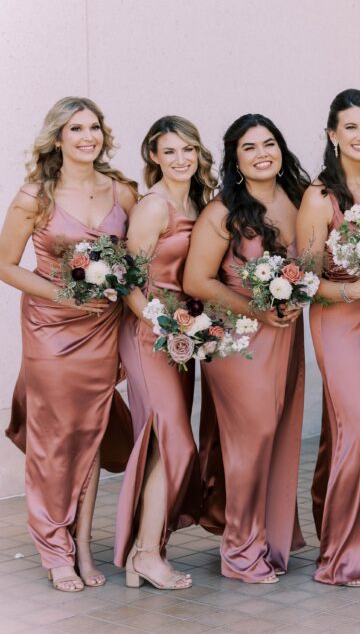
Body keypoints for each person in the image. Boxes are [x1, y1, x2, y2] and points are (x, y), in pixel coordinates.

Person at [0, 97, 138, 591]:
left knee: (92, 432)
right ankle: (54, 548)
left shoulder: (122, 192)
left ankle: (81, 541)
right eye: (76, 128)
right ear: (57, 138)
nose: (87, 136)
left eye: (94, 127)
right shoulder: (35, 196)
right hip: (52, 328)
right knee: (55, 439)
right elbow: (5, 264)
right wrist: (64, 294)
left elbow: (138, 257)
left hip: (103, 327)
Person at [183, 113, 308, 583]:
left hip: (285, 337)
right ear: (235, 159)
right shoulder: (222, 213)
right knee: (249, 444)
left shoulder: (297, 201)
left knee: (279, 439)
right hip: (237, 343)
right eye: (250, 147)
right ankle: (238, 552)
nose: (262, 154)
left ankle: (269, 543)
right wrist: (258, 311)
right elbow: (196, 280)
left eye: (269, 143)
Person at [297, 89, 360, 586]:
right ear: (333, 135)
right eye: (352, 128)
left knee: (353, 433)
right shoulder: (321, 198)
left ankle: (353, 538)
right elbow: (303, 279)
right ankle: (344, 556)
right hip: (339, 321)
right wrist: (353, 289)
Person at [114, 116, 217, 589]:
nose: (181, 160)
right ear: (154, 156)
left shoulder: (198, 201)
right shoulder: (154, 207)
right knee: (178, 442)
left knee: (165, 444)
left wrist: (192, 331)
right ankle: (146, 554)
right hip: (148, 336)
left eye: (188, 150)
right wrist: (164, 328)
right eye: (170, 151)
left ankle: (146, 549)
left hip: (183, 339)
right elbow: (129, 282)